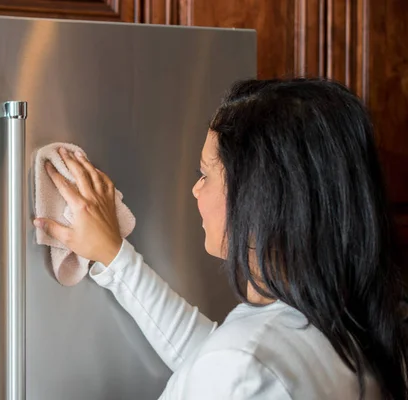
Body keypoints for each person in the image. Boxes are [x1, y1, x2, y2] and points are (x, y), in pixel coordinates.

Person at [33, 78, 408, 399]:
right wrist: (114, 258)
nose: (195, 191)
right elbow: (211, 358)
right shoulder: (351, 326)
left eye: (205, 173)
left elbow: (230, 367)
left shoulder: (244, 364)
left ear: (260, 195)